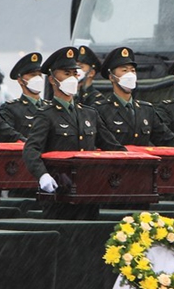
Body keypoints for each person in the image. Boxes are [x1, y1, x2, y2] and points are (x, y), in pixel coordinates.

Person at [23, 46, 125, 218]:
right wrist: (42, 175)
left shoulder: (89, 113)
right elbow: (31, 149)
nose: (72, 78)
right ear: (52, 79)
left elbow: (111, 145)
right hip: (60, 191)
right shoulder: (46, 115)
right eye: (66, 73)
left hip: (90, 190)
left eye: (74, 73)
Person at [93, 47, 174, 147]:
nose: (130, 75)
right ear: (111, 77)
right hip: (117, 162)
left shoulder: (146, 110)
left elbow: (166, 138)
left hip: (143, 162)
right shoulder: (101, 110)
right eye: (124, 70)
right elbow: (104, 144)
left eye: (133, 70)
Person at [0, 52, 48, 139]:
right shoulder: (10, 109)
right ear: (20, 80)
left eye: (39, 75)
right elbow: (9, 136)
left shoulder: (50, 107)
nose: (38, 78)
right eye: (33, 75)